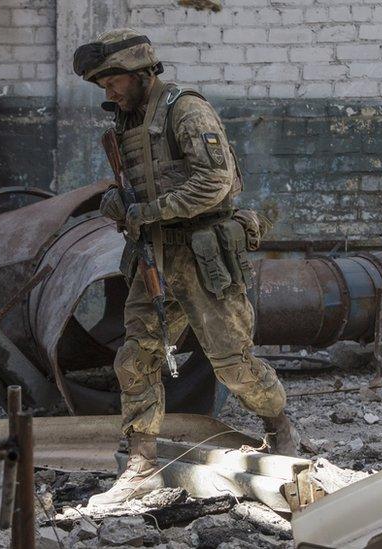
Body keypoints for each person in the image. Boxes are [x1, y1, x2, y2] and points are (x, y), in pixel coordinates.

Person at [72, 28, 299, 507]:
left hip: (202, 255)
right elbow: (137, 186)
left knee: (232, 364)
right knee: (136, 358)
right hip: (152, 256)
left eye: (112, 81)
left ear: (138, 72)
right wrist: (118, 202)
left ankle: (280, 429)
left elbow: (215, 184)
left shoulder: (185, 110)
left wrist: (148, 212)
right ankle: (141, 461)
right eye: (102, 86)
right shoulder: (125, 121)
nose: (108, 92)